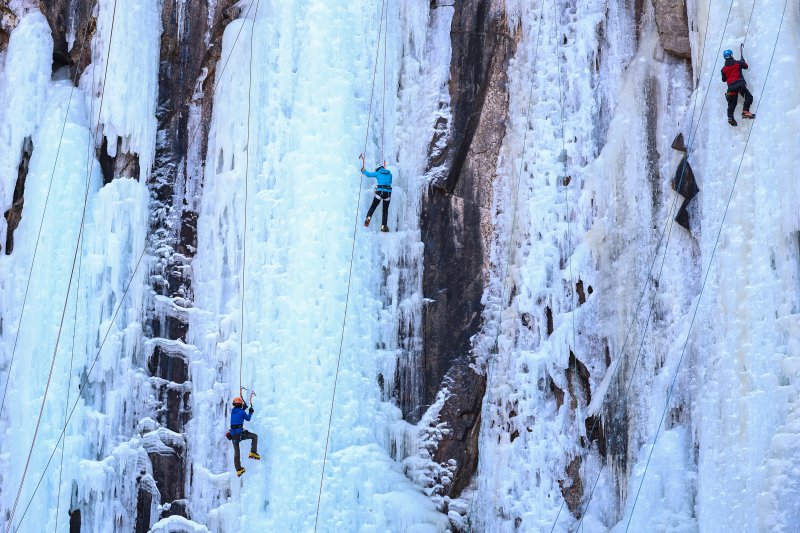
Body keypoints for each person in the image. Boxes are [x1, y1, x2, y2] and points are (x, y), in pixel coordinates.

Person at [721, 48, 755, 127]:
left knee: (732, 104)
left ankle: (730, 117)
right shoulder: (737, 63)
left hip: (731, 88)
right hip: (740, 85)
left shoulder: (723, 69)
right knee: (749, 97)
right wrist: (742, 61)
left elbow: (724, 79)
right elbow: (746, 66)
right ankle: (745, 111)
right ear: (731, 55)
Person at [360, 157, 392, 232]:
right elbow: (389, 182)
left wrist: (363, 170)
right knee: (385, 211)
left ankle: (367, 220)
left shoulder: (377, 173)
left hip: (380, 192)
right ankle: (384, 227)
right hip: (388, 193)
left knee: (373, 207)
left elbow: (368, 175)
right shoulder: (390, 174)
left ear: (377, 169)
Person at [229, 396, 259, 477]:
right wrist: (250, 412)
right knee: (254, 436)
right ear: (240, 404)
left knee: (236, 453)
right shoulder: (241, 411)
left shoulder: (233, 411)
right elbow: (248, 418)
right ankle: (253, 452)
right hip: (240, 435)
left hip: (233, 436)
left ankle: (238, 470)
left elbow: (239, 414)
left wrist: (243, 409)